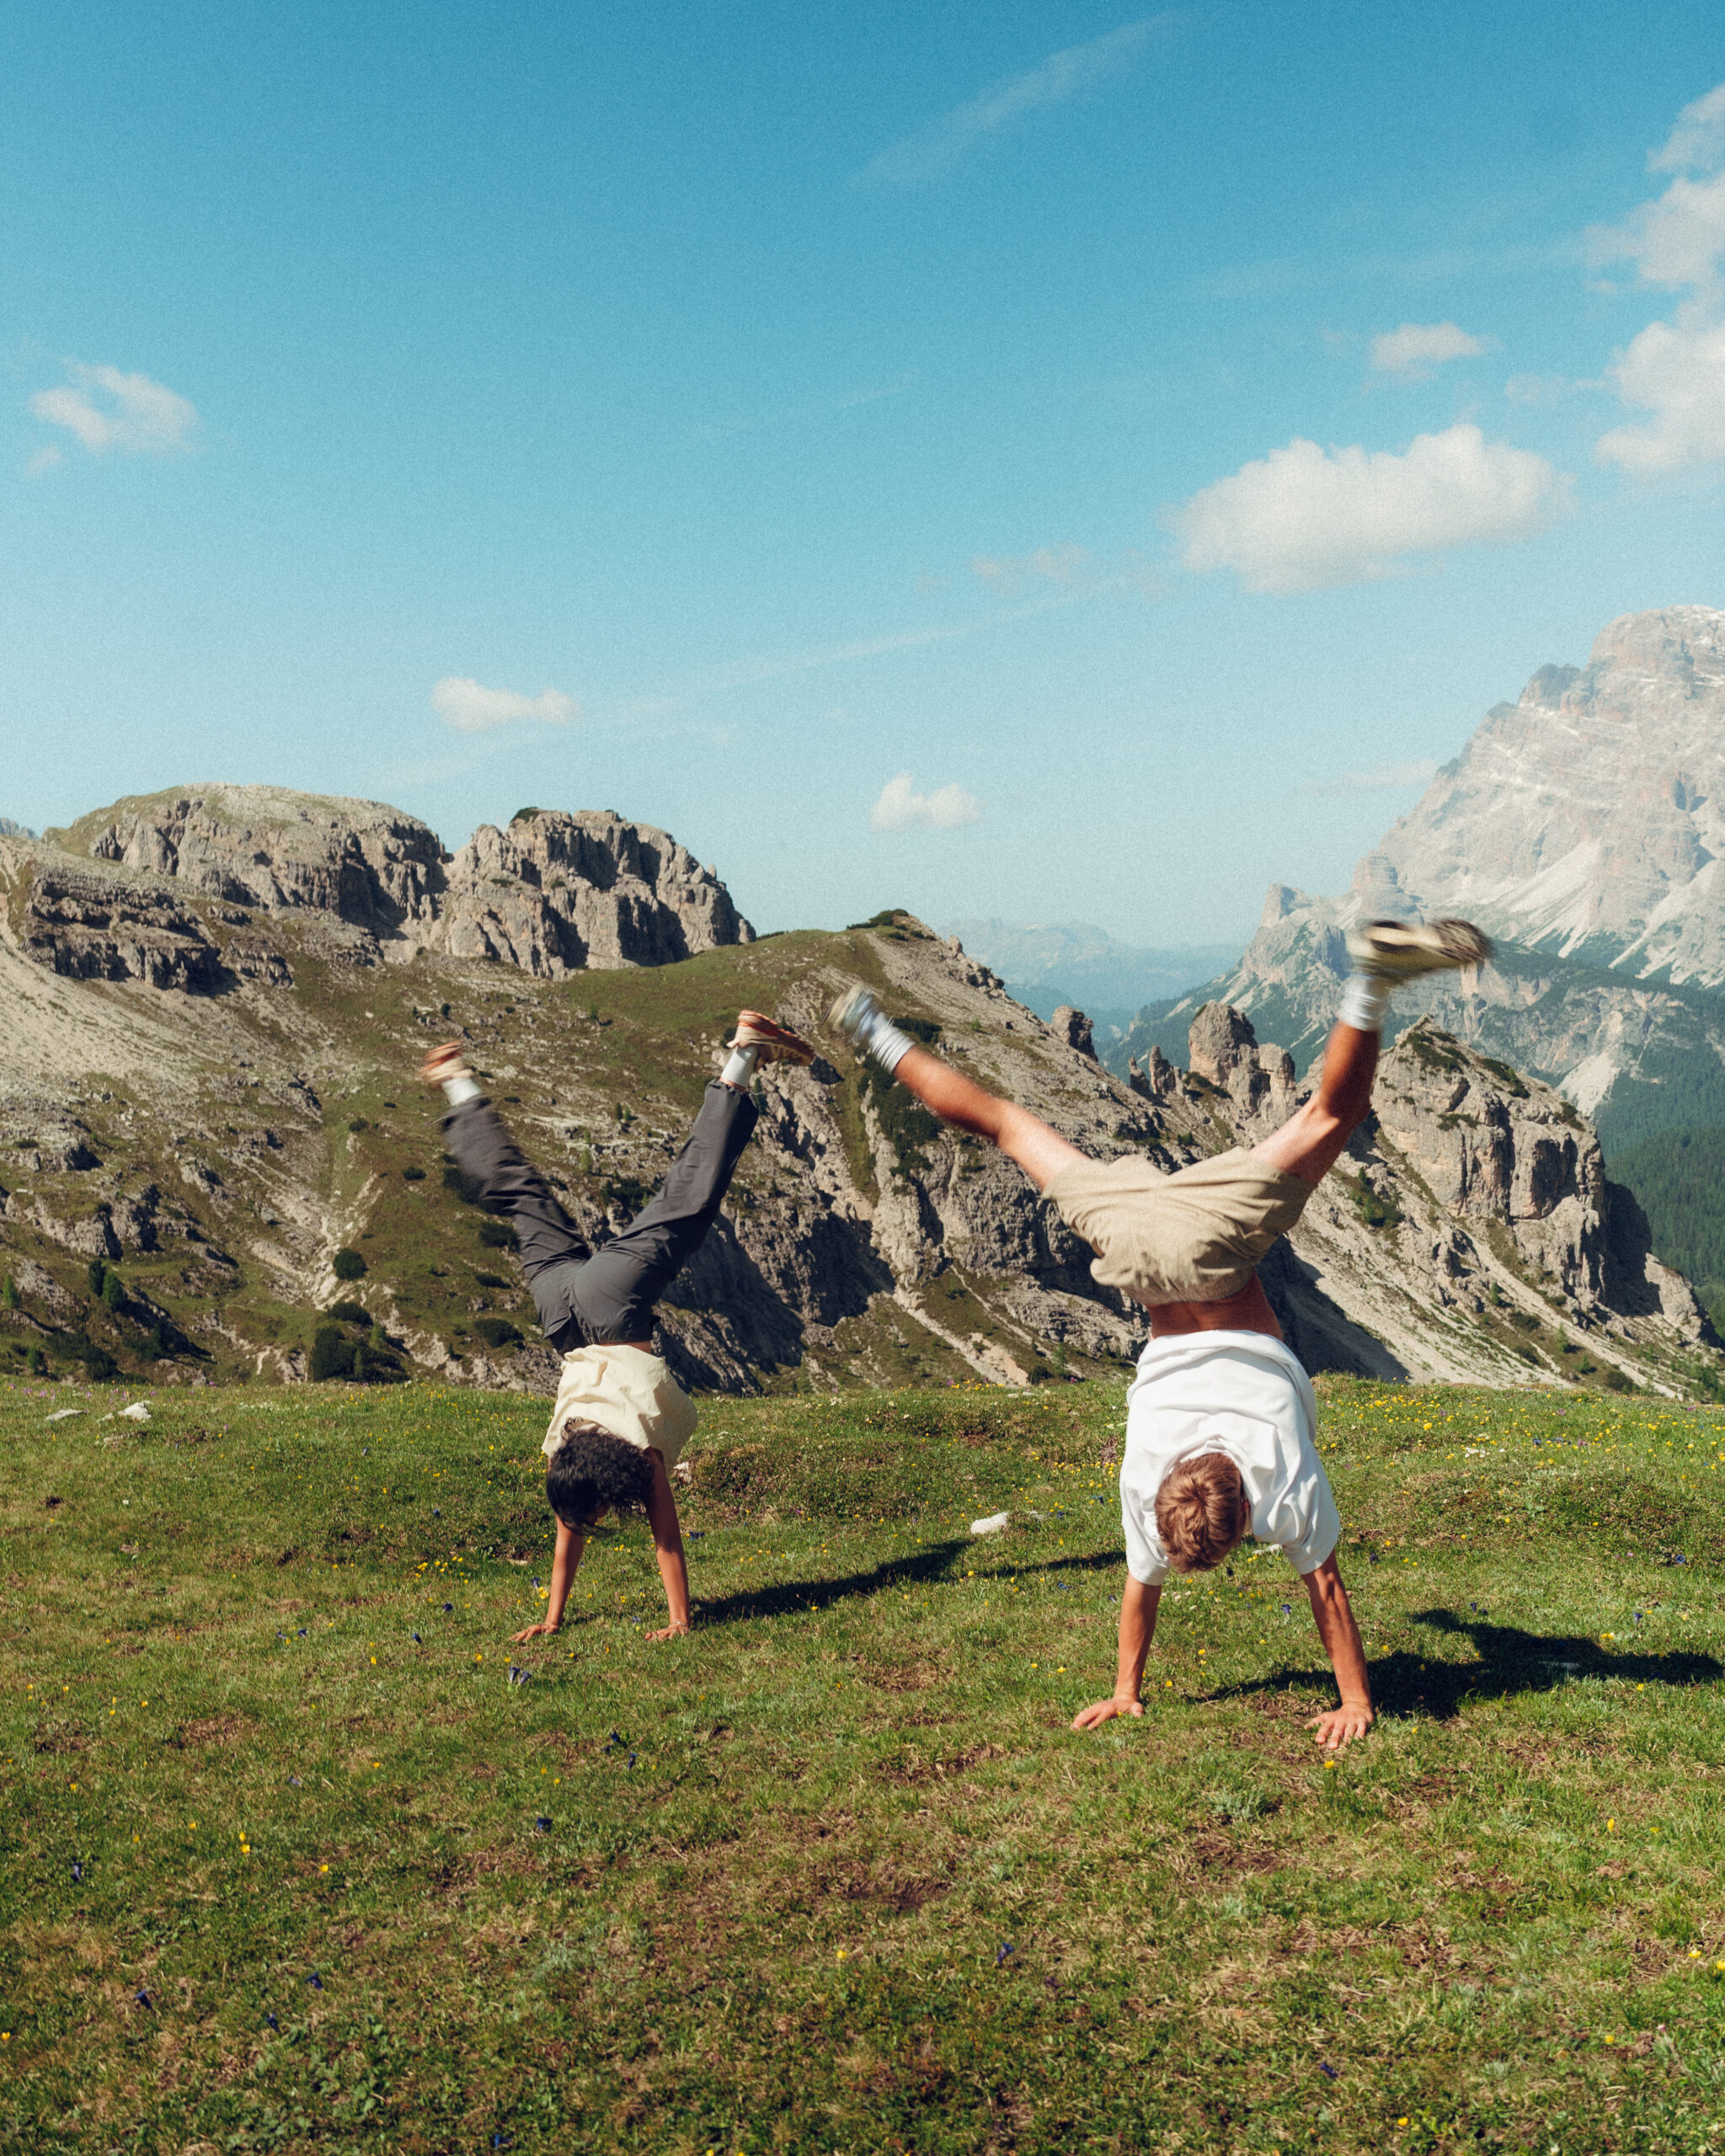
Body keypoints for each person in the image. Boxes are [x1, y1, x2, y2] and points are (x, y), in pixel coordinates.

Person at [829, 918, 1489, 1750]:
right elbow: (1139, 1589)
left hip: (1205, 1245)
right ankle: (870, 1028)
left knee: (1334, 1111)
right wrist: (1122, 1687)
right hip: (1134, 1241)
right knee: (1003, 1124)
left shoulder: (1279, 1484)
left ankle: (1371, 978)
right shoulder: (1148, 1480)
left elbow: (1325, 1587)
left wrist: (1353, 1698)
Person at [418, 1010, 816, 1644]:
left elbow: (666, 1539)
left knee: (686, 1200)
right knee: (521, 1197)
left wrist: (679, 1620)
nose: (591, 1520)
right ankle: (455, 1082)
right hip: (558, 1309)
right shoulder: (569, 1455)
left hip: (609, 1305)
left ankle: (744, 1056)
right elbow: (565, 1544)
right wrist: (552, 1619)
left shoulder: (636, 1455)